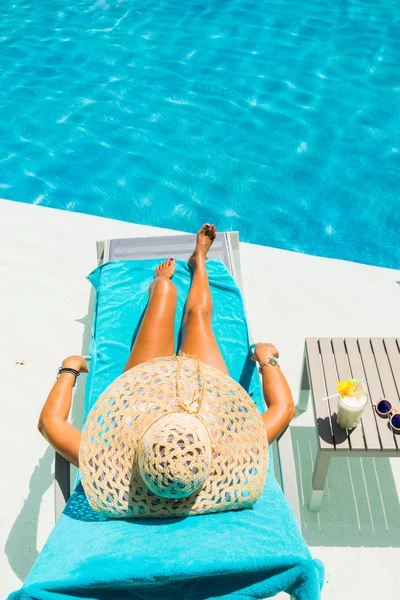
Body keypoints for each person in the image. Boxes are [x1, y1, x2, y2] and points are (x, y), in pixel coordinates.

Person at [38, 224, 295, 471]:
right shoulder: (229, 453)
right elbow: (283, 409)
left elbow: (49, 424)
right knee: (197, 317)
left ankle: (161, 279)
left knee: (164, 291)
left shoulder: (112, 463)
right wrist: (267, 359)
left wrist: (70, 369)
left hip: (144, 400)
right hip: (207, 405)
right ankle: (199, 262)